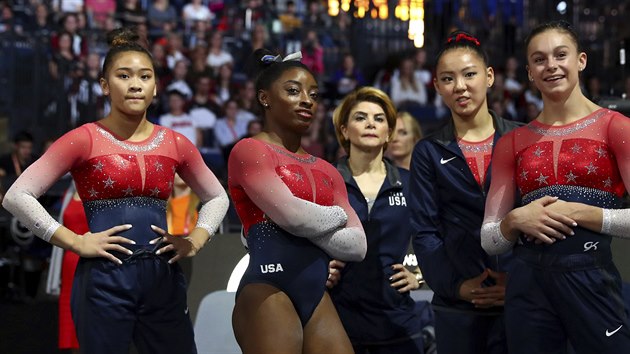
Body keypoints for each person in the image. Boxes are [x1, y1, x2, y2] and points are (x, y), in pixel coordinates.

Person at [2, 28, 229, 354]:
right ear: (105, 86)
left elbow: (217, 196)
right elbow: (17, 195)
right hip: (103, 280)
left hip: (162, 280)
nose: (135, 84)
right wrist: (75, 241)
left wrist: (195, 240)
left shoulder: (176, 142)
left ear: (155, 87)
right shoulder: (83, 138)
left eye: (145, 76)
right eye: (124, 76)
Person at [480, 20, 630, 354]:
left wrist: (581, 212)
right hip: (527, 287)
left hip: (592, 281)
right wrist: (514, 221)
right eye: (539, 59)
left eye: (560, 55)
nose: (551, 65)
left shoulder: (615, 128)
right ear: (530, 72)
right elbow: (490, 239)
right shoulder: (512, 142)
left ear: (581, 60)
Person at [228, 49, 367, 354]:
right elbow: (293, 216)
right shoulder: (249, 150)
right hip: (266, 288)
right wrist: (336, 216)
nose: (307, 100)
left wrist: (304, 218)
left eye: (313, 94)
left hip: (315, 294)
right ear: (265, 98)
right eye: (293, 91)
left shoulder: (327, 169)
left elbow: (357, 246)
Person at [409, 31, 522, 354]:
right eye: (448, 78)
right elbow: (425, 232)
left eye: (469, 74)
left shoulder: (522, 140)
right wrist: (459, 287)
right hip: (457, 308)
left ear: (489, 77)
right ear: (436, 86)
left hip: (523, 303)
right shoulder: (428, 152)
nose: (460, 86)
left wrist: (517, 282)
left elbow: (538, 220)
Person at [330, 86, 425, 354]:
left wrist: (421, 275)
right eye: (360, 117)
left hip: (397, 325)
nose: (371, 123)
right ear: (345, 130)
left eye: (379, 119)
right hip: (336, 323)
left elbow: (442, 236)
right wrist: (318, 270)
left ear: (388, 134)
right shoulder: (324, 181)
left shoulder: (411, 184)